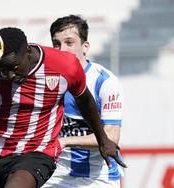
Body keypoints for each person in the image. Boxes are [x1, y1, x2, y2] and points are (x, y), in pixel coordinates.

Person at [0, 26, 126, 188]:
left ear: (28, 52)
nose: (9, 75)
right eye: (4, 70)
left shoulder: (64, 66)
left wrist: (102, 139)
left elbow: (84, 99)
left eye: (14, 68)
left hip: (37, 152)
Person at [43, 15, 125, 188]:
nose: (62, 49)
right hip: (56, 175)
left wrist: (65, 141)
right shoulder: (45, 80)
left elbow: (111, 137)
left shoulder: (105, 81)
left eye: (69, 42)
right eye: (56, 44)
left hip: (99, 176)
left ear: (85, 46)